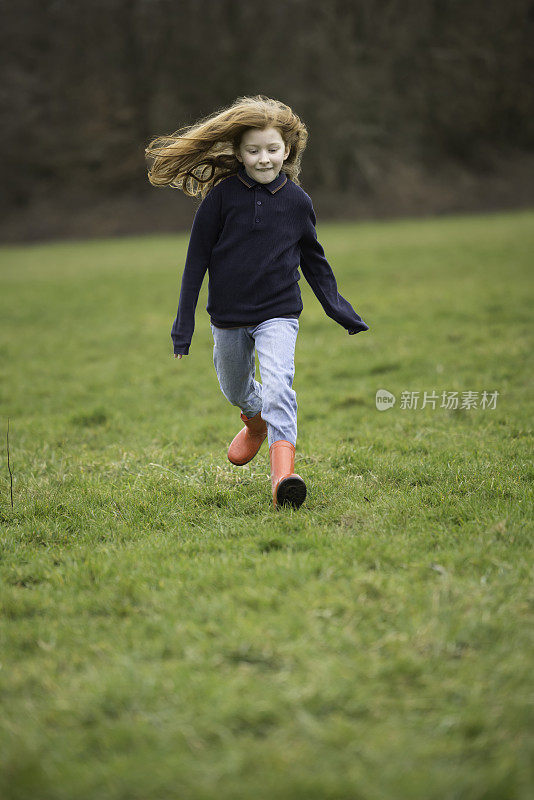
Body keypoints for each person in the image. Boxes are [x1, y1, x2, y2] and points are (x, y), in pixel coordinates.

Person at [145, 94, 369, 510]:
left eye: (272, 149)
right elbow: (195, 263)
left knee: (280, 384)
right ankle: (255, 418)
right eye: (253, 150)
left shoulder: (298, 202)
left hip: (279, 312)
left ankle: (283, 475)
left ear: (288, 149)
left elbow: (314, 260)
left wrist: (339, 309)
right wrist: (183, 326)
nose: (264, 159)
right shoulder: (221, 198)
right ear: (239, 152)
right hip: (228, 316)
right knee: (234, 388)